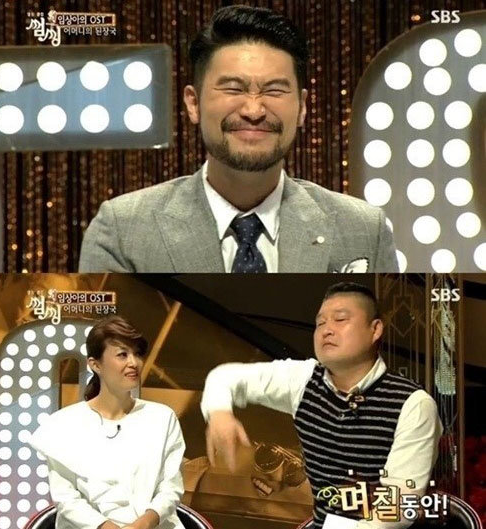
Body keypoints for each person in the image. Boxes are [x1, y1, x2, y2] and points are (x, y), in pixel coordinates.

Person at [79, 5, 398, 273]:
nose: (253, 110)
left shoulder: (364, 229)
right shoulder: (122, 230)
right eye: (233, 88)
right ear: (193, 103)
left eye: (275, 90)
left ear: (302, 107)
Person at [201, 282, 443, 528]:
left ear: (375, 329)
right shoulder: (304, 379)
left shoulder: (413, 404)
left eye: (340, 319)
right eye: (320, 323)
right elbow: (225, 377)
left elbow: (397, 509)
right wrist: (219, 413)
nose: (326, 330)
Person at [29, 316, 186, 529]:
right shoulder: (62, 425)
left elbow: (170, 487)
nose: (134, 363)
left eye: (137, 354)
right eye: (122, 354)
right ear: (95, 365)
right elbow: (66, 498)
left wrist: (143, 524)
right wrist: (106, 526)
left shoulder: (162, 418)